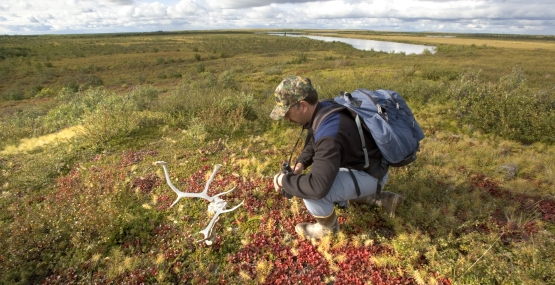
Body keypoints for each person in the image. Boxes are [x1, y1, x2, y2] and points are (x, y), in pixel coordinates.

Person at [271, 75, 404, 240]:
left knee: (312, 192)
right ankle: (379, 199)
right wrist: (300, 164)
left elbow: (317, 187)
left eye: (287, 112)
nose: (286, 118)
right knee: (322, 174)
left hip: (371, 175)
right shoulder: (326, 107)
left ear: (303, 106)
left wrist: (282, 181)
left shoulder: (329, 134)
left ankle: (327, 231)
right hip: (373, 168)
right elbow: (314, 142)